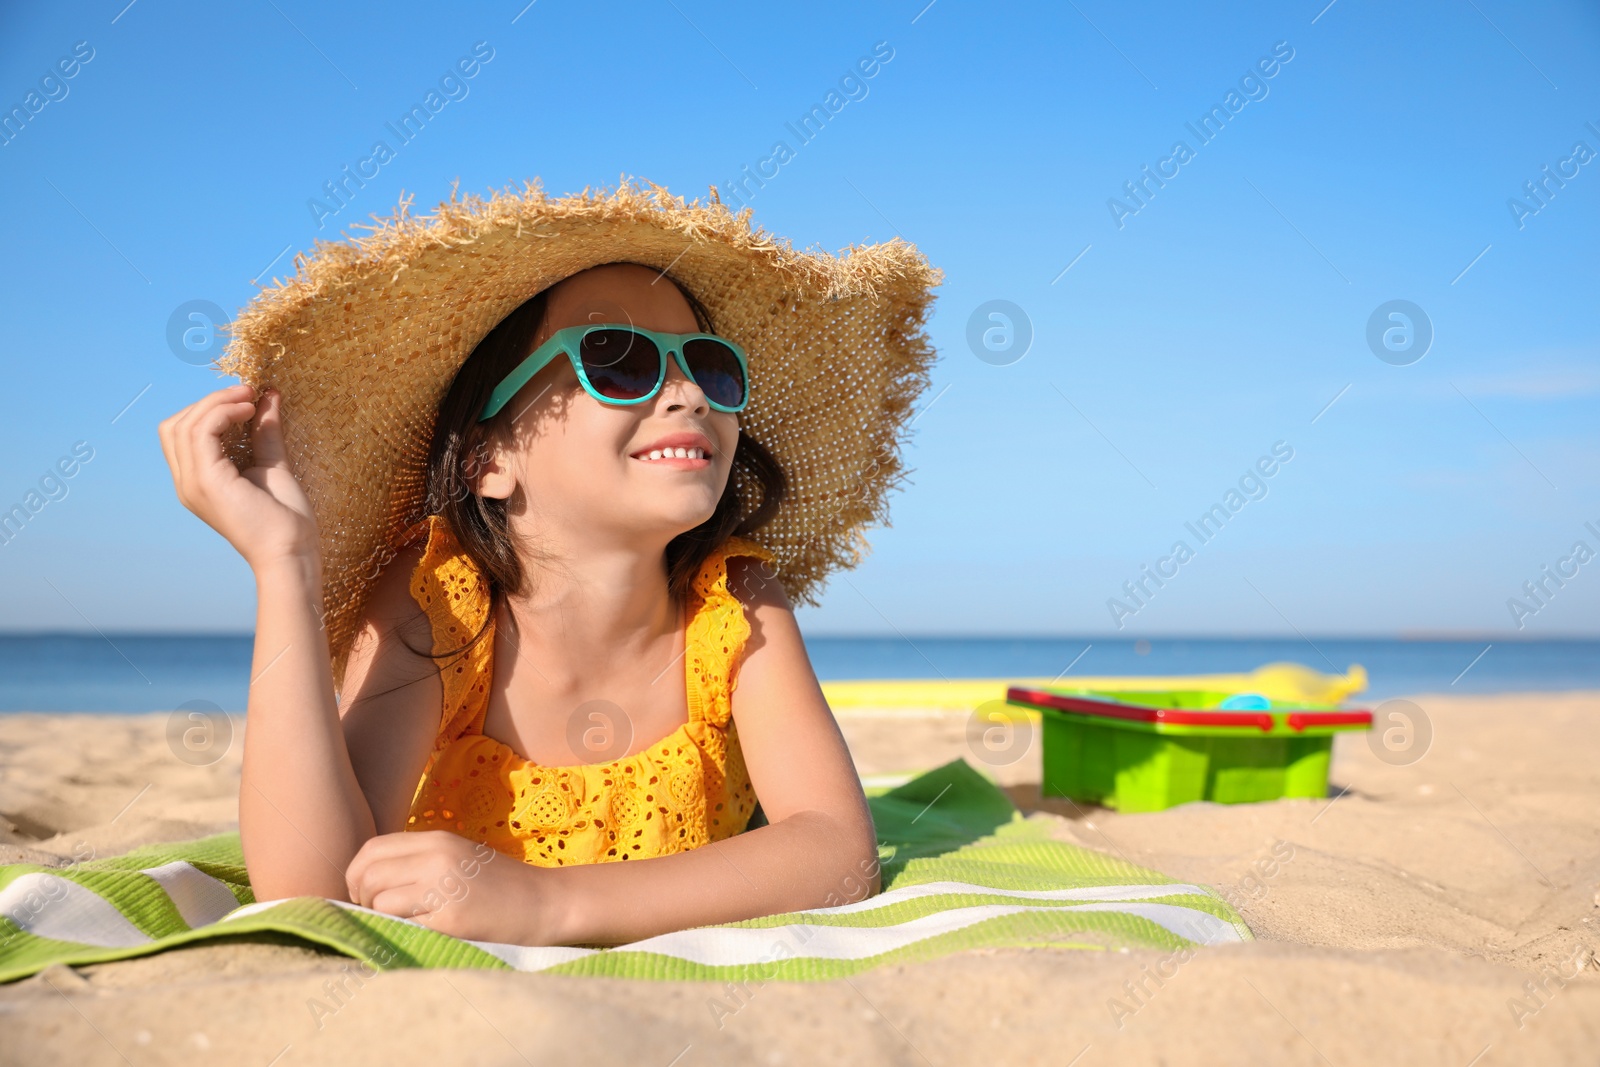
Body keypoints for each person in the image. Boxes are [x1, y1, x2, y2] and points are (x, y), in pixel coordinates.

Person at [158, 180, 941, 947]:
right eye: (618, 359)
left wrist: (549, 902)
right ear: (489, 460)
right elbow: (312, 888)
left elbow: (840, 854)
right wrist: (285, 563)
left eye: (710, 365)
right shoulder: (440, 602)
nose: (689, 393)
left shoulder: (732, 600)